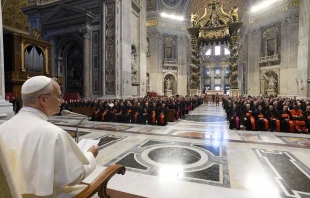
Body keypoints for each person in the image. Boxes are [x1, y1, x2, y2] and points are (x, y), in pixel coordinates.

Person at [0, 76, 99, 197]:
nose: (61, 101)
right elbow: (74, 177)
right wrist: (91, 155)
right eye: (58, 96)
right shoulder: (54, 134)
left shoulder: (3, 128)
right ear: (43, 100)